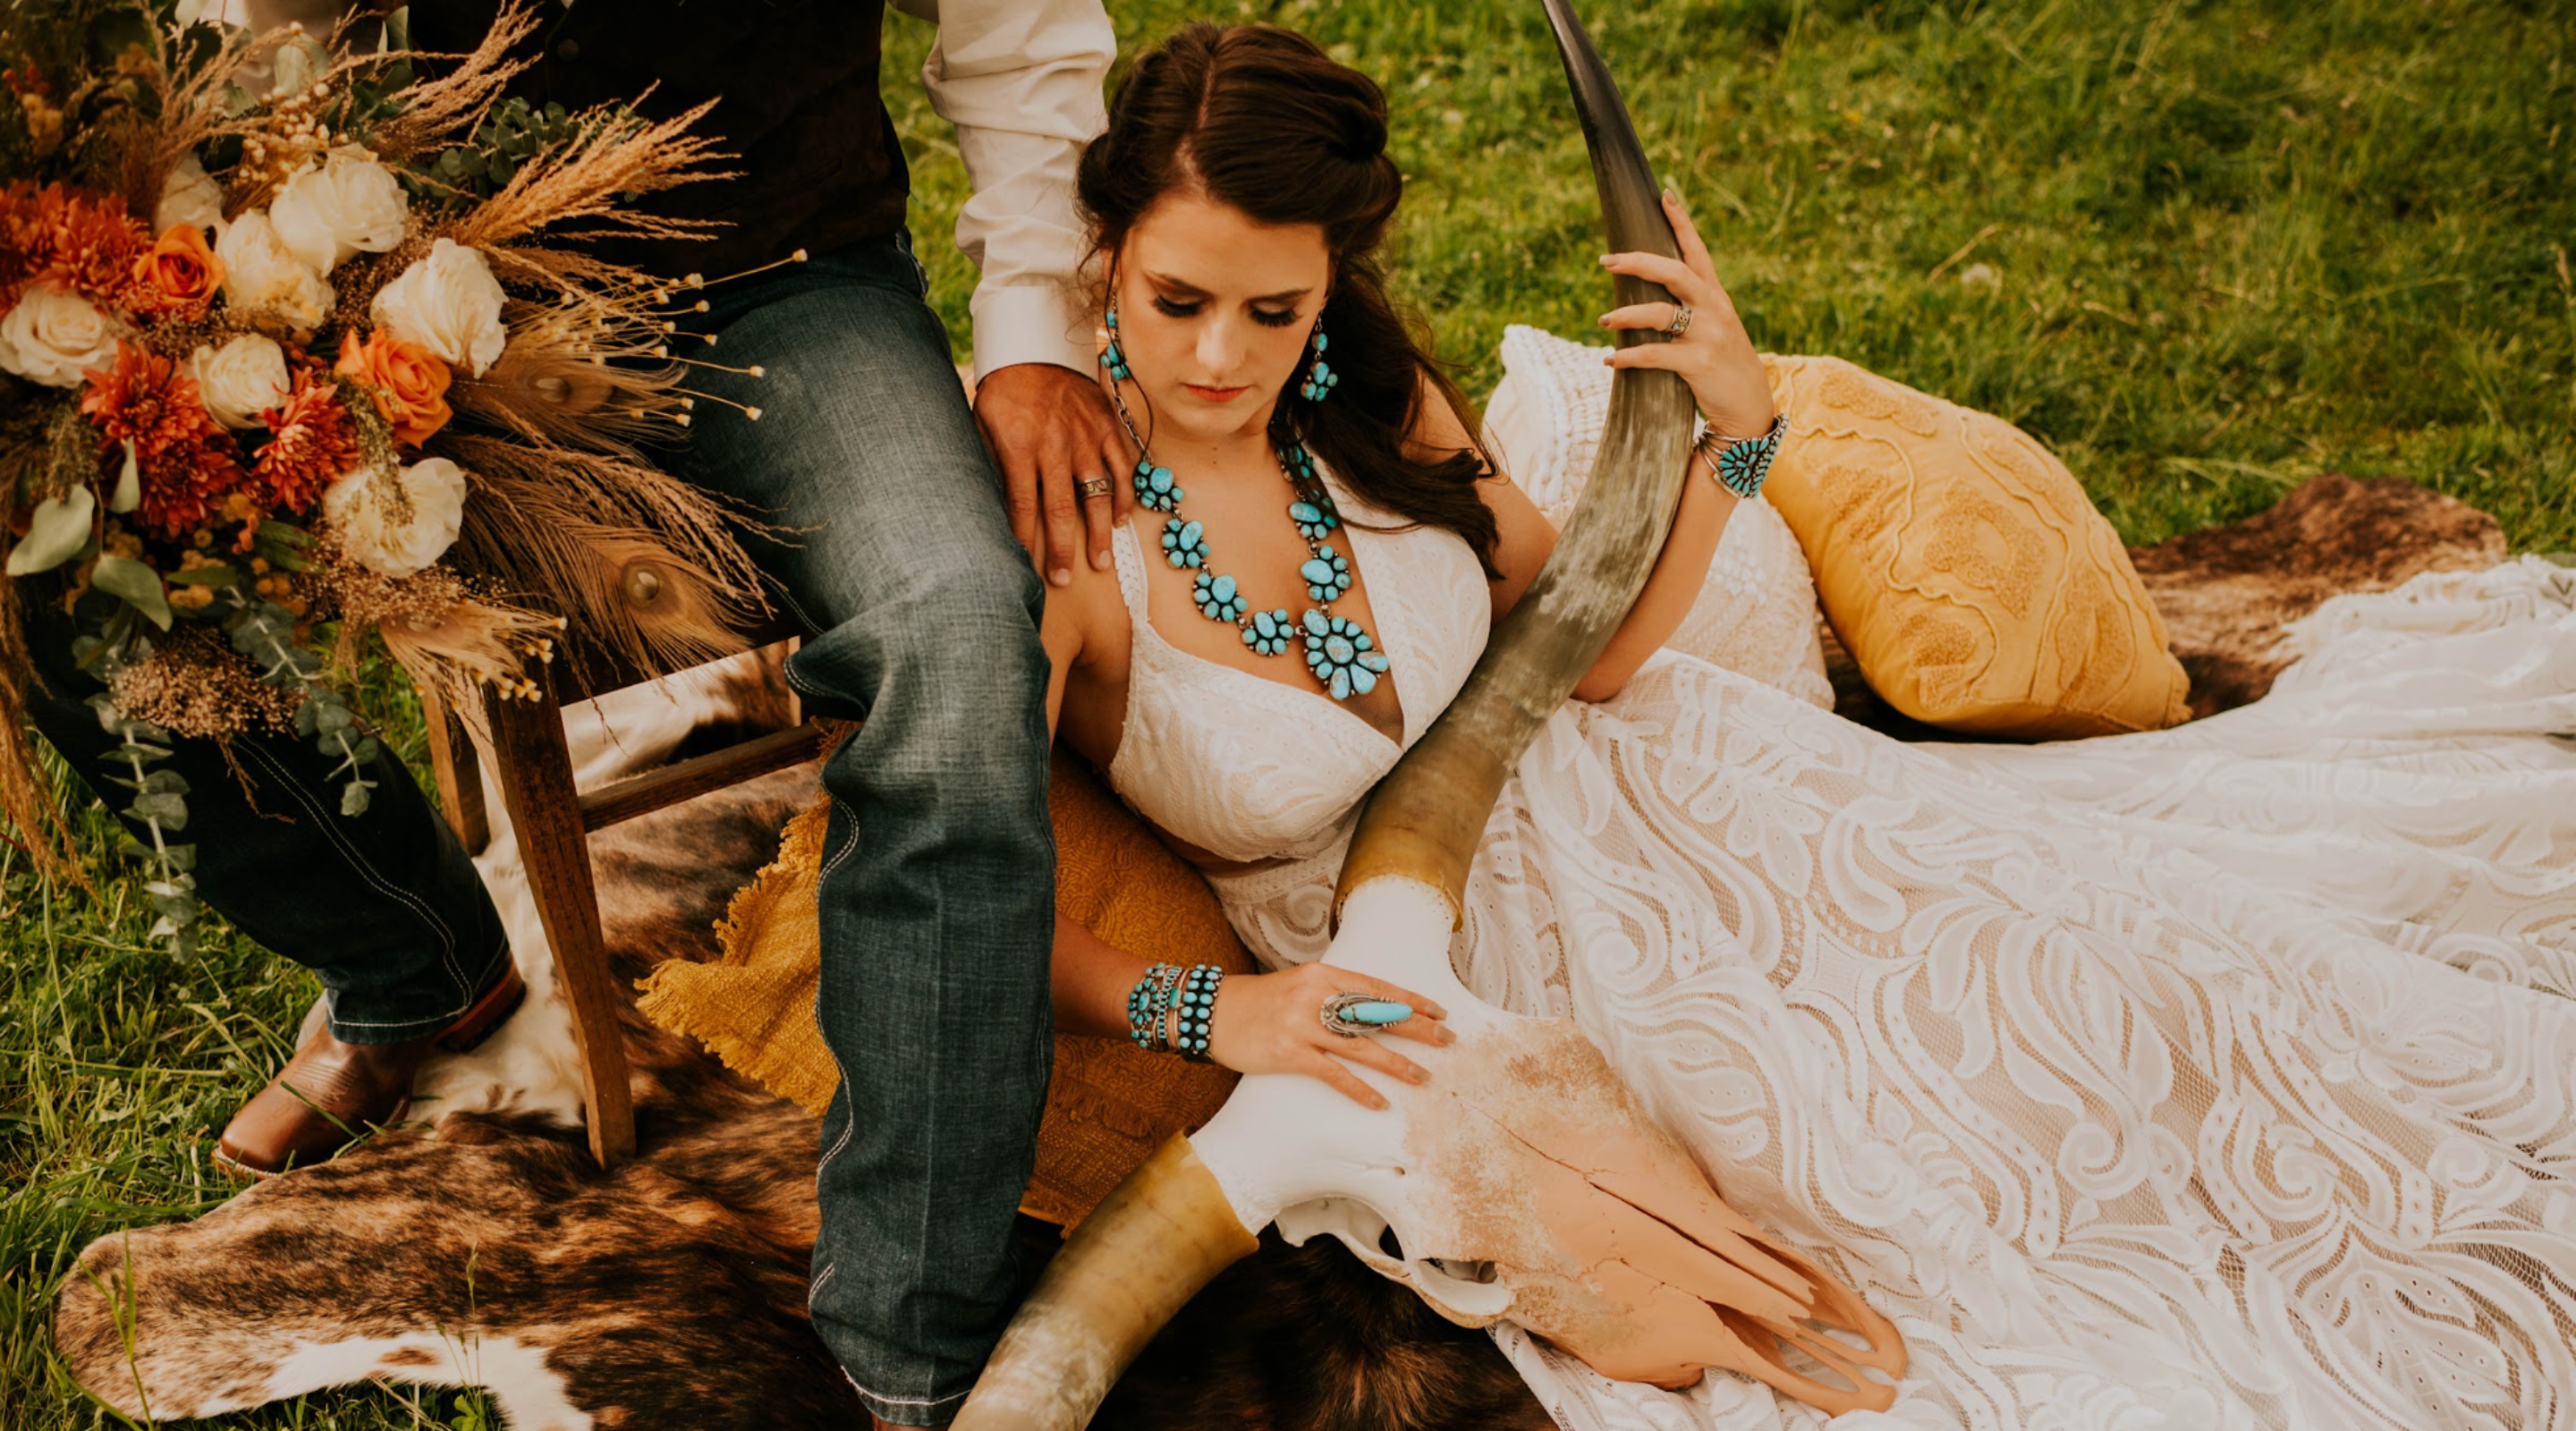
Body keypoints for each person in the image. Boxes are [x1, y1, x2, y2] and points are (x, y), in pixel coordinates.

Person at [1027, 23, 2576, 1427]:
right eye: (1177, 301)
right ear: (1103, 255)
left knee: (2163, 1016)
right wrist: (1203, 1013)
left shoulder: (1368, 399)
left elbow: (1603, 655)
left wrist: (1742, 435)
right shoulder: (1063, 533)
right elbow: (961, 873)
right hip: (1455, 978)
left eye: (1272, 307)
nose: (1222, 355)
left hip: (1693, 805)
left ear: (1330, 281)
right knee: (1943, 1265)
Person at [23, 3, 1125, 1426]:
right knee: (69, 565)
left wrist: (1035, 324)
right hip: (417, 289)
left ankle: (905, 1358)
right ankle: (410, 952)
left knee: (961, 639)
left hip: (787, 282)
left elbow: (1019, 16)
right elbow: (257, 31)